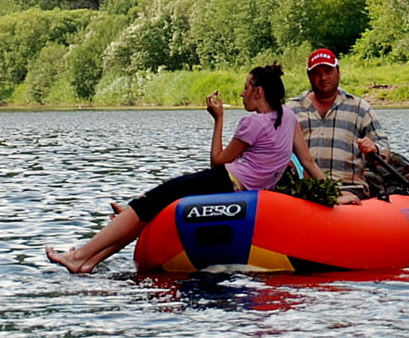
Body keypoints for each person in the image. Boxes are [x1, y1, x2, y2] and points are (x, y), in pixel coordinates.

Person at [45, 63, 326, 274]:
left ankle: (79, 256)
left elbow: (217, 161)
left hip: (226, 183)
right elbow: (309, 162)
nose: (242, 93)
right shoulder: (288, 117)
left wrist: (218, 118)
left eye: (246, 87)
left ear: (259, 90)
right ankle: (89, 261)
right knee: (148, 212)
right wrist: (331, 193)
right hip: (248, 192)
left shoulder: (252, 124)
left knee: (143, 204)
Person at [292, 47, 387, 203]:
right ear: (309, 76)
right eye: (317, 73)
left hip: (349, 187)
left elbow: (383, 144)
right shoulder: (291, 109)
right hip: (305, 190)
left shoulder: (359, 107)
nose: (323, 78)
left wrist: (374, 148)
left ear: (338, 72)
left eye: (328, 71)